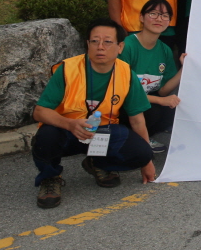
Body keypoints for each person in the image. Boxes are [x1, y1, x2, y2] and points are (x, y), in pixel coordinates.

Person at [31, 19, 155, 208]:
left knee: (141, 152)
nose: (100, 47)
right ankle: (50, 177)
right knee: (47, 136)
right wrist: (70, 124)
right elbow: (40, 112)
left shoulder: (126, 73)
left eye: (107, 42)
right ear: (87, 44)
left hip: (102, 133)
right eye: (94, 41)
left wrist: (147, 161)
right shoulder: (68, 69)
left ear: (120, 47)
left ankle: (97, 163)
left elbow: (137, 120)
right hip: (68, 132)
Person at [119, 0, 184, 152]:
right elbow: (124, 92)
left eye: (164, 15)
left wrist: (184, 68)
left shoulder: (165, 50)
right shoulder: (127, 46)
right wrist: (161, 101)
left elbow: (163, 90)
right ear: (141, 17)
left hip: (145, 99)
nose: (159, 19)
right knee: (153, 110)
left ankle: (139, 136)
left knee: (173, 108)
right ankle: (135, 139)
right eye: (153, 13)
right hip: (121, 103)